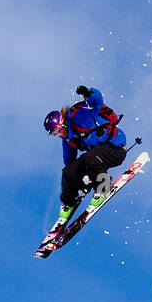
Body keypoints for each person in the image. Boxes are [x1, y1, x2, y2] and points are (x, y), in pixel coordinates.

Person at [44, 86, 128, 217]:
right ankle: (69, 202)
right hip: (97, 155)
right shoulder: (69, 139)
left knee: (91, 157)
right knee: (68, 171)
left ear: (63, 123)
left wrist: (88, 93)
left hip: (116, 149)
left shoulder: (78, 116)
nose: (59, 135)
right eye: (54, 134)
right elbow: (69, 162)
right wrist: (76, 178)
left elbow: (97, 102)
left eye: (58, 131)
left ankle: (103, 188)